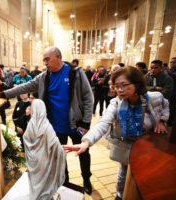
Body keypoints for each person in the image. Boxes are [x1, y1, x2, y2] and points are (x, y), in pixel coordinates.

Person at [63, 66, 169, 200]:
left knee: (145, 179)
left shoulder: (154, 98)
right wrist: (86, 142)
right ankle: (119, 196)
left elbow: (166, 106)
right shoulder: (116, 103)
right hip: (126, 145)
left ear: (136, 84)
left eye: (124, 85)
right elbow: (103, 123)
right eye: (116, 86)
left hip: (148, 147)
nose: (119, 90)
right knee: (123, 175)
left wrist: (162, 121)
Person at [2, 46, 94, 194]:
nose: (45, 63)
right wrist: (4, 94)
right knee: (59, 156)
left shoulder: (75, 73)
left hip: (76, 125)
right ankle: (65, 182)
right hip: (55, 127)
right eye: (44, 60)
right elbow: (25, 87)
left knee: (83, 153)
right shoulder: (44, 77)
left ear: (58, 57)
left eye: (47, 59)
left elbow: (88, 97)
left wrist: (86, 123)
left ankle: (86, 179)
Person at [23, 99, 66, 200]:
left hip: (33, 161)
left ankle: (35, 196)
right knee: (45, 181)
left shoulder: (31, 124)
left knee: (35, 181)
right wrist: (62, 151)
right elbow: (55, 144)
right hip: (44, 160)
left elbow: (25, 138)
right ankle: (45, 196)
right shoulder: (46, 126)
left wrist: (32, 151)